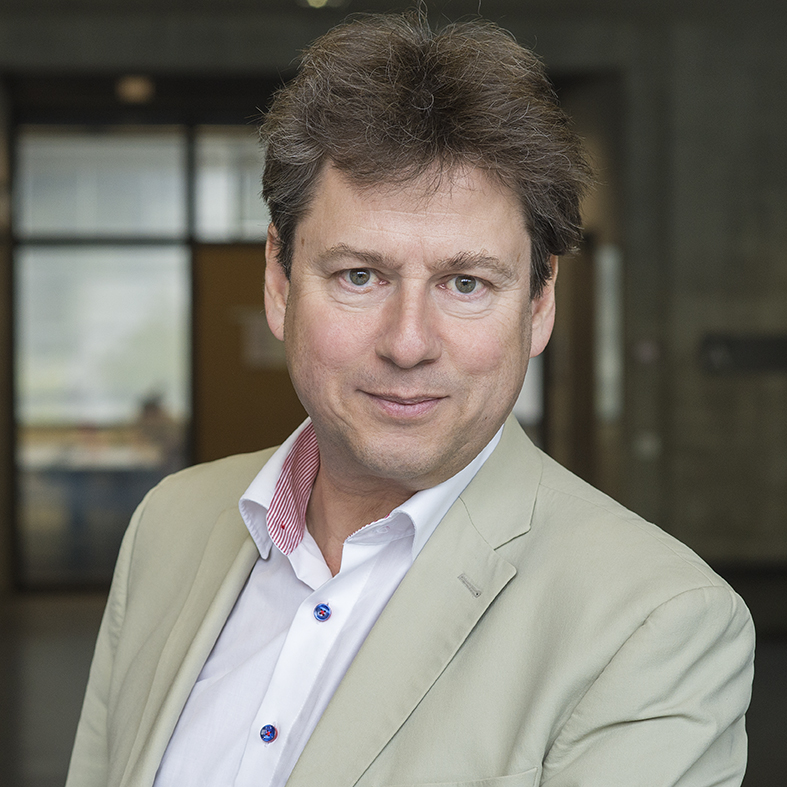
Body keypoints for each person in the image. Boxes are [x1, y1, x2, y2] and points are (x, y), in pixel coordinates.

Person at [66, 11, 754, 787]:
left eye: (466, 283)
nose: (407, 342)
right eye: (359, 275)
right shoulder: (170, 524)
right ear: (279, 281)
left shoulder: (654, 621)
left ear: (538, 306)